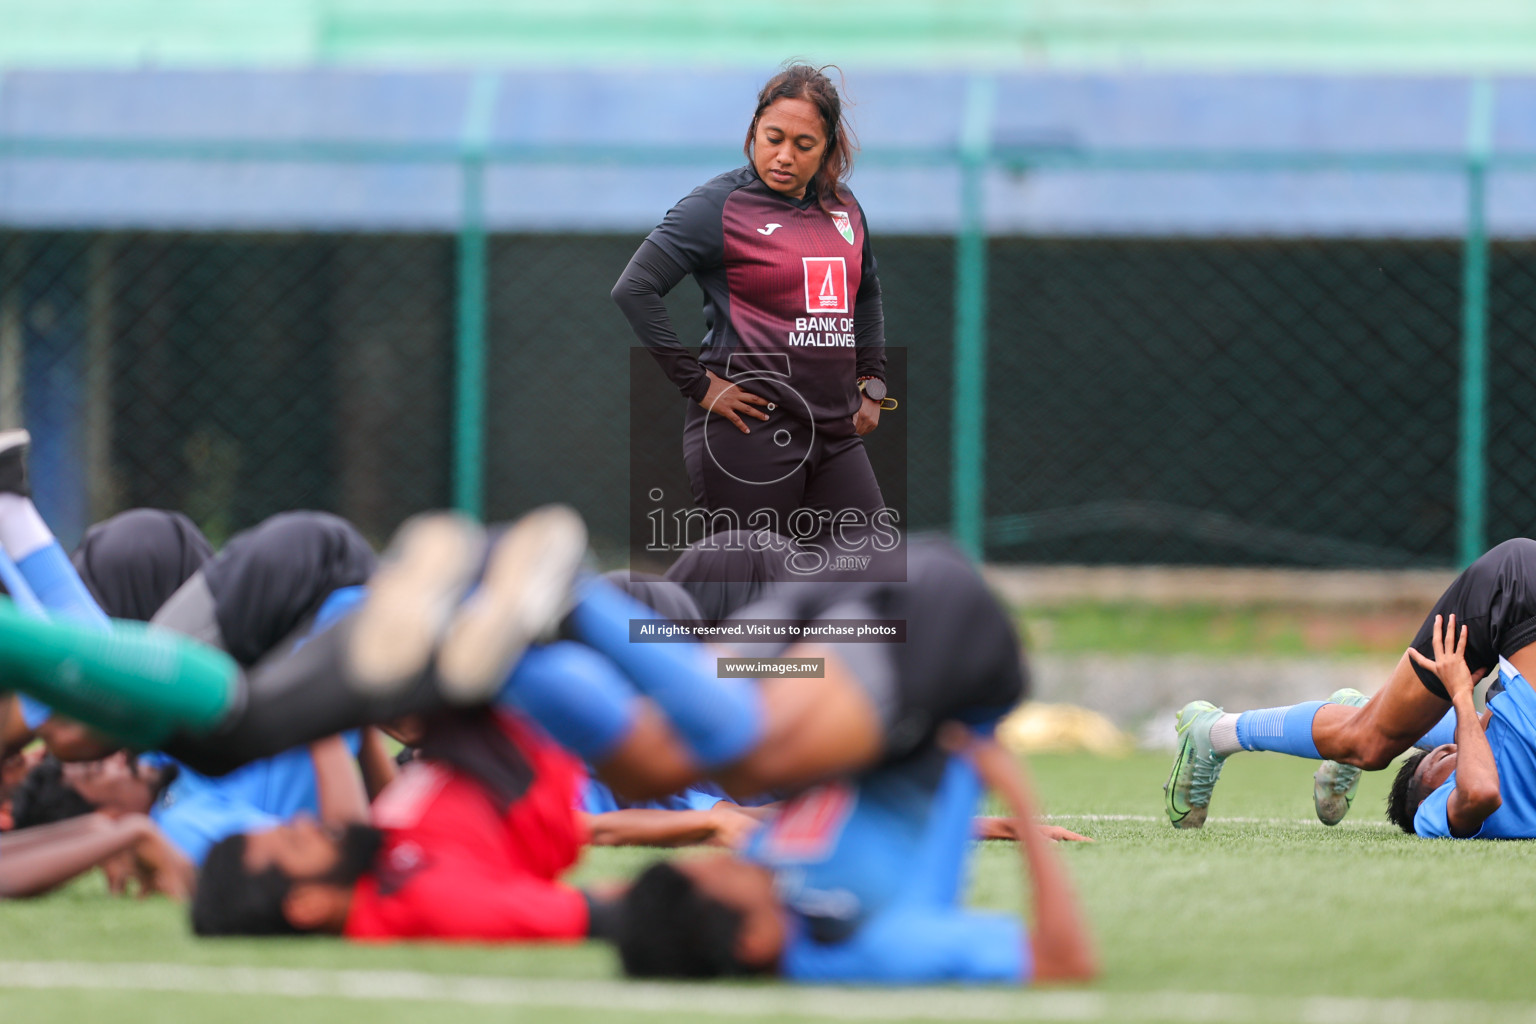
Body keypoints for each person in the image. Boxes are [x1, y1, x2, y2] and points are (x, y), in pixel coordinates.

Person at [612, 63, 889, 548]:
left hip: (836, 433)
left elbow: (865, 291)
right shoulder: (718, 206)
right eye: (773, 137)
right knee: (754, 599)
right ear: (753, 131)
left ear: (827, 147)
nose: (784, 156)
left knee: (870, 581)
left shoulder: (845, 208)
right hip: (751, 431)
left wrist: (872, 379)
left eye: (804, 145)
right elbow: (634, 288)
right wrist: (698, 385)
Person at [1165, 538, 1536, 830]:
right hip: (1514, 590)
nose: (1454, 747)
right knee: (1376, 740)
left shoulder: (1481, 789)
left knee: (1373, 744)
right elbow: (1479, 787)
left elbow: (1480, 782)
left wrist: (1459, 696)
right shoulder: (1490, 790)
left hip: (1517, 594)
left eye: (1445, 751)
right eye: (1445, 751)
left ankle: (1216, 732)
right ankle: (1361, 716)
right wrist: (1458, 699)